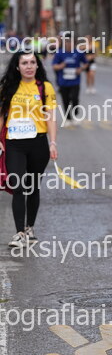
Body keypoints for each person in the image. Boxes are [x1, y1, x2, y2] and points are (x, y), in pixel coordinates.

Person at [0, 51, 58, 247]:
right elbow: (1, 115)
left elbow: (50, 117)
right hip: (14, 143)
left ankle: (29, 228)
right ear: (17, 67)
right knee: (18, 185)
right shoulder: (7, 87)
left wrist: (53, 143)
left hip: (38, 143)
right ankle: (19, 233)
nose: (29, 66)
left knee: (32, 187)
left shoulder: (45, 87)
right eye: (24, 63)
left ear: (37, 65)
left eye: (32, 62)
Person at [52, 32, 87, 127]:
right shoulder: (59, 53)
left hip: (75, 80)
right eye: (67, 42)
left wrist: (81, 69)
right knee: (66, 100)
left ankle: (75, 115)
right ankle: (68, 118)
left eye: (70, 42)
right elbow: (54, 66)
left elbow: (86, 63)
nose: (68, 44)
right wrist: (61, 66)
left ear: (73, 42)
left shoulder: (78, 53)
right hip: (63, 81)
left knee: (75, 98)